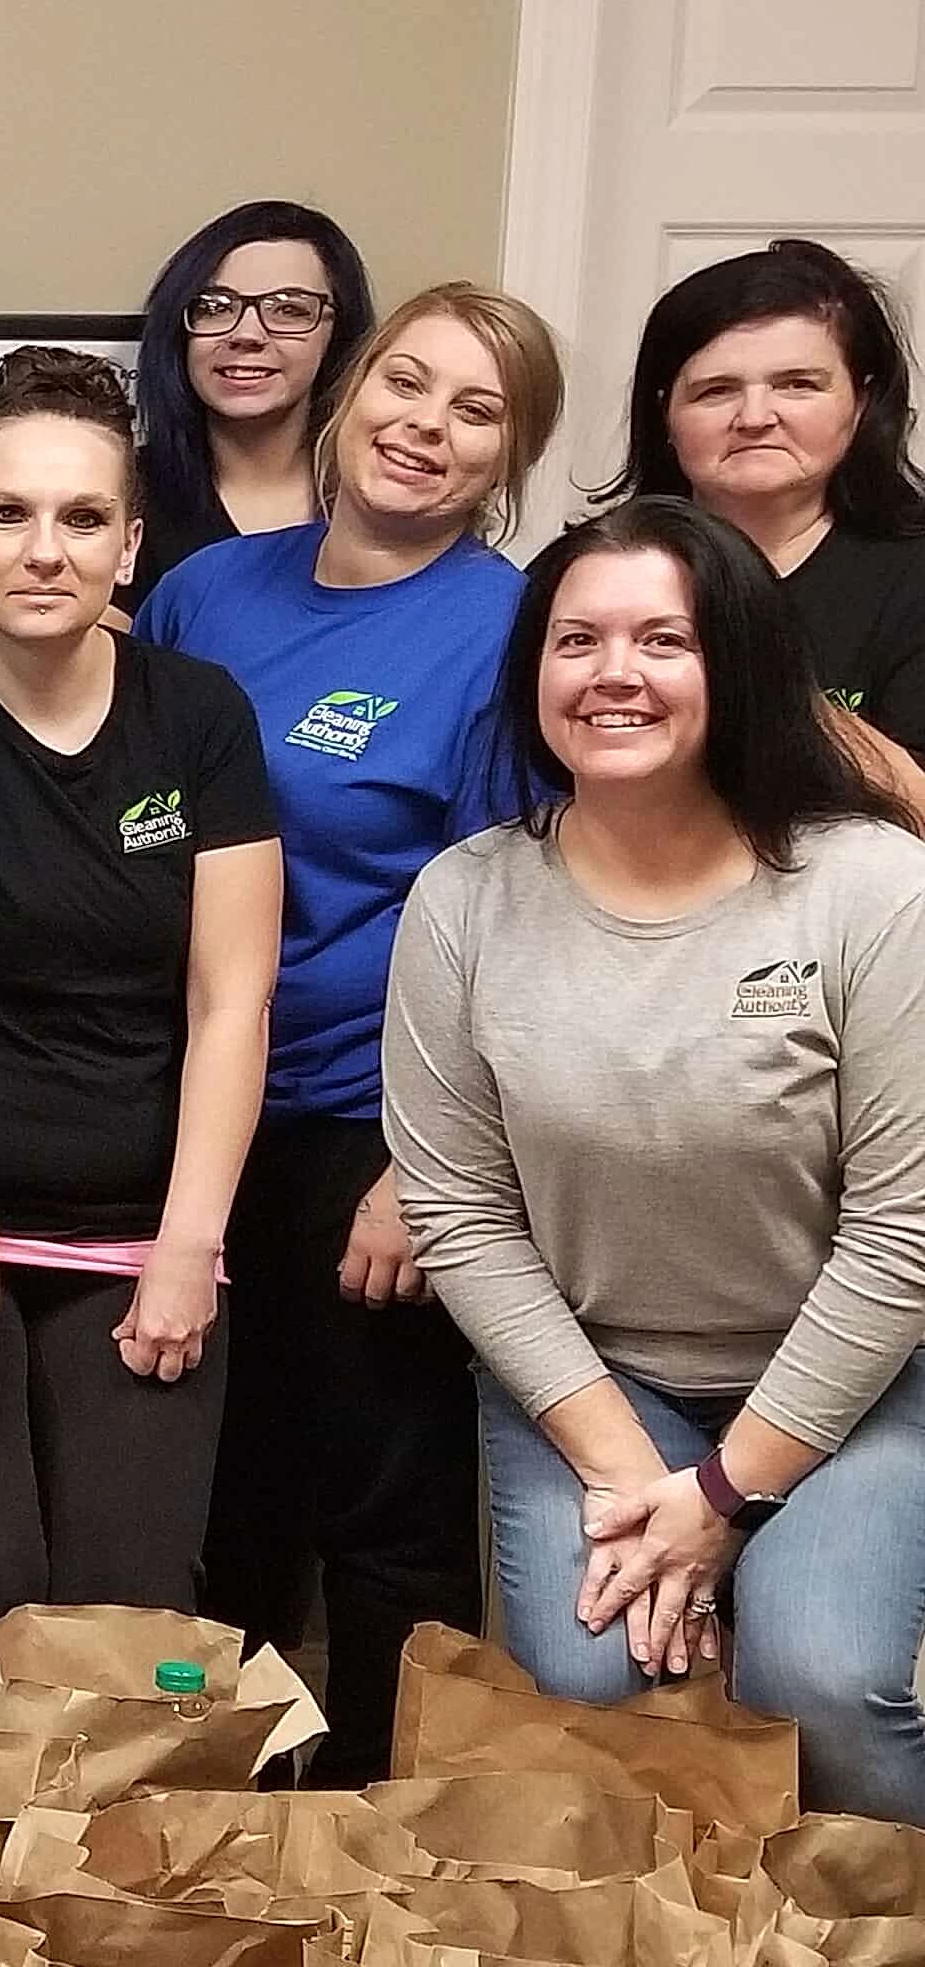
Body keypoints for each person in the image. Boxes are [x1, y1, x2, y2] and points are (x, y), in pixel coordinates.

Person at [391, 499, 925, 1826]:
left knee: (825, 1677)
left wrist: (729, 1494)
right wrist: (642, 1479)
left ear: (735, 667)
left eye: (661, 641)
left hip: (857, 1379)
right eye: (576, 640)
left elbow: (903, 1235)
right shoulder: (465, 899)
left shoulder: (871, 889)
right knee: (593, 1677)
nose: (612, 673)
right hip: (598, 1375)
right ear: (533, 678)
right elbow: (457, 1210)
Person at [139, 279, 563, 1780]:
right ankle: (217, 1829)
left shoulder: (508, 635)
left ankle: (383, 1836)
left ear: (509, 458)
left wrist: (418, 1164)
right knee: (214, 1496)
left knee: (378, 1505)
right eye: (409, 384)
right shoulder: (207, 596)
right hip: (182, 1110)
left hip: (356, 1121)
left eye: (476, 412)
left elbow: (513, 915)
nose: (425, 430)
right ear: (352, 389)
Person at [0, 351, 281, 1719]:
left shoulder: (198, 718)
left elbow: (229, 1000)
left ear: (132, 544)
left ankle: (111, 1910)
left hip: (142, 1230)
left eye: (85, 518)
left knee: (136, 1596)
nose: (45, 548)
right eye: (10, 514)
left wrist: (192, 1249)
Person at [604, 240, 925, 763]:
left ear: (862, 403)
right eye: (716, 390)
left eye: (797, 385)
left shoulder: (913, 576)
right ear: (665, 413)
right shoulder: (590, 569)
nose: (755, 417)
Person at [132, 199, 377, 600]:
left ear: (339, 333)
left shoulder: (382, 494)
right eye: (215, 307)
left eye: (289, 310)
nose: (247, 334)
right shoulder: (123, 494)